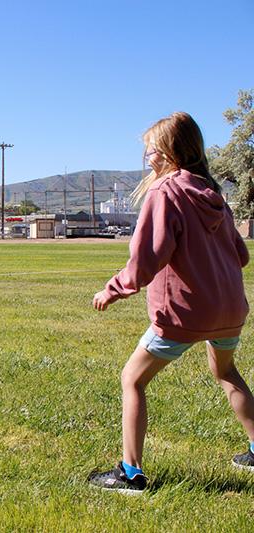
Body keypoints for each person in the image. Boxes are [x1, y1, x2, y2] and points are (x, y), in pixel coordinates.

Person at [87, 112, 254, 495]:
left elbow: (148, 257)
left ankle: (130, 474)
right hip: (230, 310)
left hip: (184, 313)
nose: (147, 154)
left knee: (132, 379)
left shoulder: (165, 193)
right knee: (227, 373)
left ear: (170, 150)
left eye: (152, 147)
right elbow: (241, 256)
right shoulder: (215, 196)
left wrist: (111, 290)